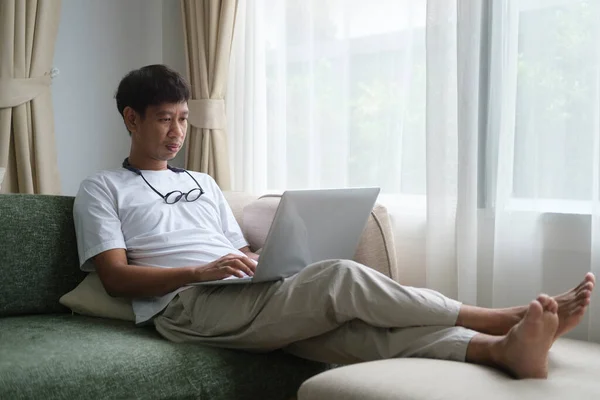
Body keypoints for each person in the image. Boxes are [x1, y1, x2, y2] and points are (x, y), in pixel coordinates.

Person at [73, 64, 595, 380]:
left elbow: (234, 248)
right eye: (165, 118)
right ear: (131, 118)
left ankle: (499, 352)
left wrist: (265, 260)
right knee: (340, 276)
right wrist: (197, 272)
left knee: (344, 330)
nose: (177, 131)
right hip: (184, 308)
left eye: (183, 118)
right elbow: (115, 279)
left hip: (238, 292)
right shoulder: (101, 188)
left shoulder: (205, 182)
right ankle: (495, 318)